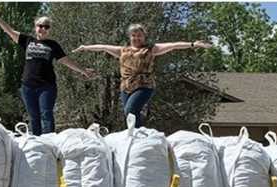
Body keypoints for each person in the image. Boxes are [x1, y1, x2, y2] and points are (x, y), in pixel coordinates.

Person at [75, 24, 212, 128]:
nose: (136, 38)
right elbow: (103, 47)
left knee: (131, 109)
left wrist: (193, 44)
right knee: (129, 114)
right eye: (134, 35)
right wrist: (85, 47)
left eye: (139, 35)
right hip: (126, 86)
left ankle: (138, 134)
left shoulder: (151, 49)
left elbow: (173, 46)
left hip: (144, 85)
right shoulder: (122, 50)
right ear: (130, 37)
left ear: (144, 37)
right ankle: (136, 133)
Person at [0, 7, 95, 135]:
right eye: (40, 26)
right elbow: (9, 31)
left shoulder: (53, 45)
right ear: (35, 27)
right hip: (28, 87)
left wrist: (83, 70)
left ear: (49, 30)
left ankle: (49, 143)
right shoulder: (27, 40)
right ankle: (38, 146)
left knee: (47, 115)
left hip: (47, 87)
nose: (43, 29)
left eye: (46, 27)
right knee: (34, 117)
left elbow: (66, 61)